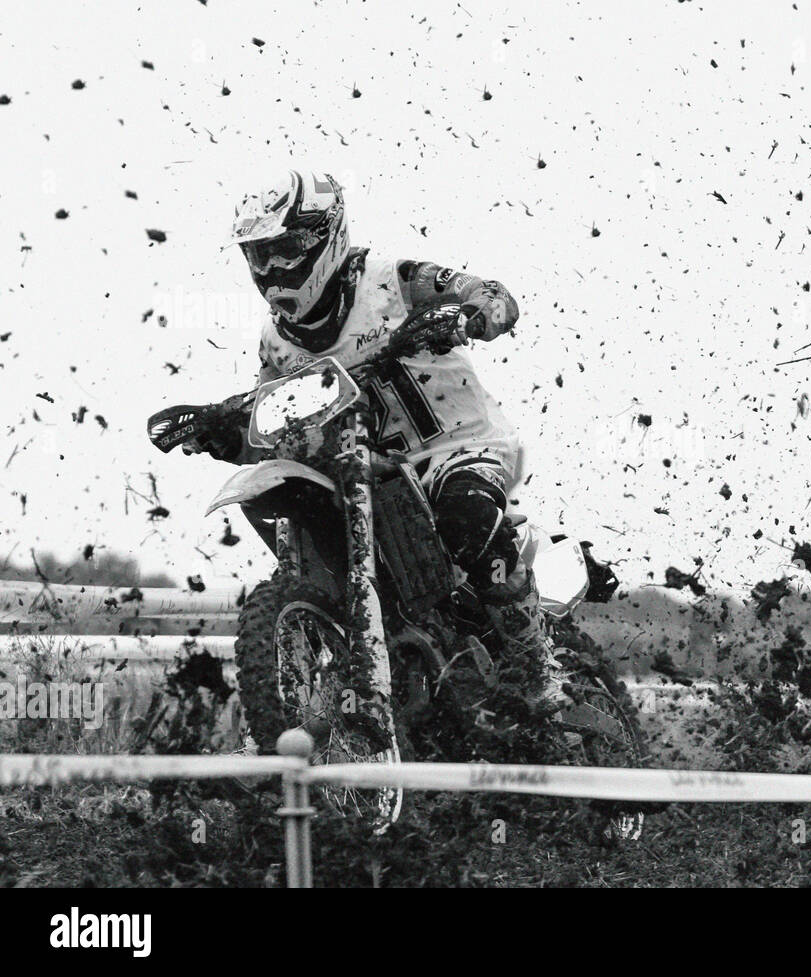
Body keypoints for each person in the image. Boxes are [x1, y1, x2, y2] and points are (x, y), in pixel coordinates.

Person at [204, 168, 566, 708]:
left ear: (324, 235)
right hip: (366, 467)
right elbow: (274, 421)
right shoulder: (277, 341)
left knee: (463, 515)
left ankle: (537, 665)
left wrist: (464, 313)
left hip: (456, 448)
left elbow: (495, 297)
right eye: (261, 255)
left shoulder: (393, 281)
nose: (274, 269)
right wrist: (222, 428)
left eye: (286, 250)